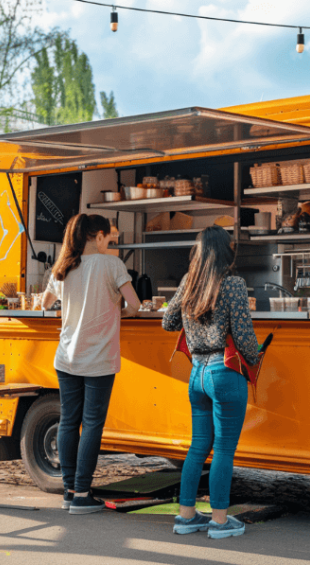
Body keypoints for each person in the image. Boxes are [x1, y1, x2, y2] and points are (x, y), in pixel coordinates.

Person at [162, 226, 260, 539]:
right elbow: (243, 336)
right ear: (225, 251)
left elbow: (168, 321)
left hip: (197, 375)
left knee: (198, 447)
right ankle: (219, 522)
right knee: (224, 451)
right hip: (224, 373)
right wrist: (256, 357)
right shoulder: (233, 284)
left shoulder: (188, 281)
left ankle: (186, 517)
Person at [41, 214, 139, 515]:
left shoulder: (64, 266)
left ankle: (70, 492)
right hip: (99, 358)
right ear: (97, 236)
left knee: (69, 421)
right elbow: (135, 305)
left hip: (66, 357)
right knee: (92, 423)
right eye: (108, 237)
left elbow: (44, 304)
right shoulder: (112, 265)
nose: (110, 242)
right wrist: (116, 310)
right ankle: (83, 494)